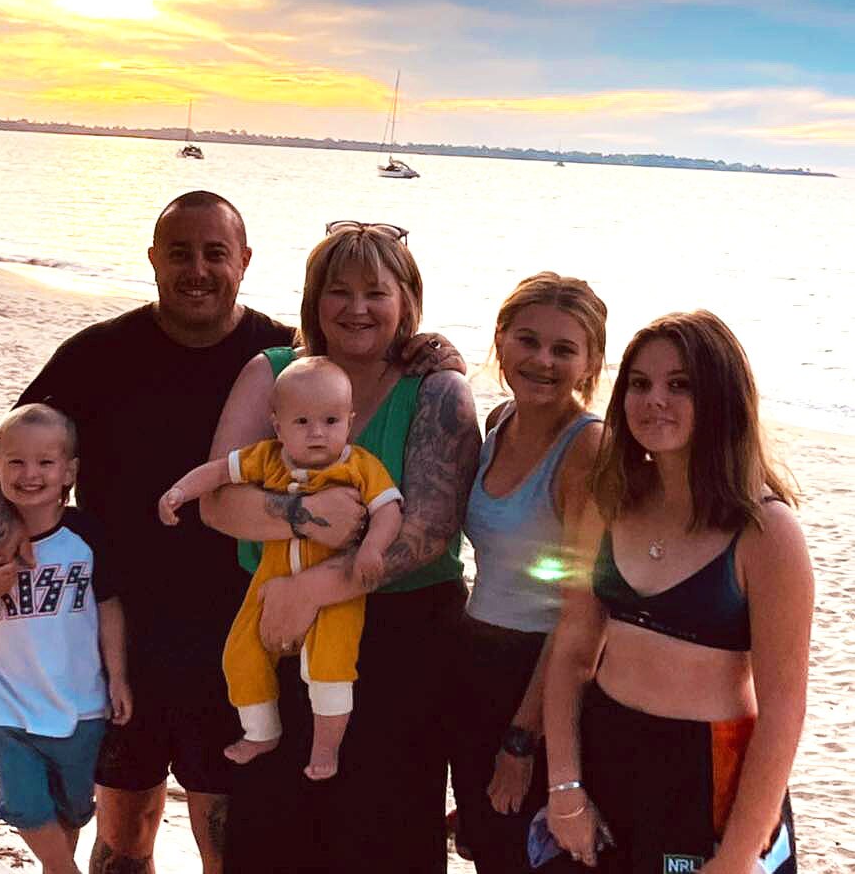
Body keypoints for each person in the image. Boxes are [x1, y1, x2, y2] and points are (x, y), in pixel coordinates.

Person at [0, 193, 461, 874]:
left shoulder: (295, 363)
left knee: (225, 834)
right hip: (121, 630)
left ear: (244, 261)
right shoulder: (98, 352)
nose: (198, 268)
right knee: (126, 825)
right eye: (180, 253)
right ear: (154, 261)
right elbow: (4, 454)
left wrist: (427, 347)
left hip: (240, 628)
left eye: (215, 252)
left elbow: (370, 358)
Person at [199, 220, 481, 874]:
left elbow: (430, 530)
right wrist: (303, 515)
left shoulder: (438, 389)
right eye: (339, 290)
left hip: (401, 641)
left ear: (406, 301)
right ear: (313, 299)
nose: (357, 308)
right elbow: (219, 500)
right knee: (272, 830)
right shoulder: (271, 372)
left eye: (376, 292)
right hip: (278, 626)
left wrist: (315, 587)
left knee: (382, 836)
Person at [542, 310, 812, 873]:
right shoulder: (608, 501)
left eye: (680, 384)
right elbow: (572, 648)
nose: (653, 399)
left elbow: (784, 709)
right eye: (639, 383)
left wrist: (739, 853)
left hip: (710, 774)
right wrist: (564, 785)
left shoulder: (766, 532)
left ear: (721, 397)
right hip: (606, 752)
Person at [158, 356, 403, 780]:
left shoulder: (359, 466)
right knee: (240, 652)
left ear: (349, 420)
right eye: (302, 422)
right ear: (277, 425)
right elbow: (219, 472)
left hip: (336, 588)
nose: (317, 432)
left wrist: (371, 550)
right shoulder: (267, 459)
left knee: (331, 665)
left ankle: (326, 748)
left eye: (330, 420)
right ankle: (260, 731)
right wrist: (179, 491)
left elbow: (389, 510)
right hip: (269, 580)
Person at [449, 273, 607, 874]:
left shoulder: (587, 449)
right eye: (528, 340)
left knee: (535, 858)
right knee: (488, 849)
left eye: (564, 349)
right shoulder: (497, 421)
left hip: (539, 678)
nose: (542, 360)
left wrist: (522, 740)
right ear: (501, 342)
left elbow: (580, 614)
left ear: (590, 362)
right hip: (474, 663)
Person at [0, 404, 131, 874]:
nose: (30, 474)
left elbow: (110, 606)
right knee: (27, 807)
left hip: (81, 705)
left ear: (69, 470)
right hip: (8, 707)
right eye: (16, 462)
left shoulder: (86, 535)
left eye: (45, 463)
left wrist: (119, 678)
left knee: (70, 810)